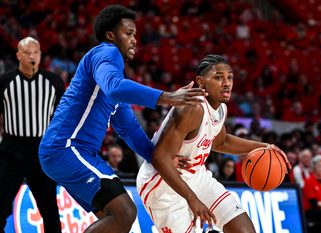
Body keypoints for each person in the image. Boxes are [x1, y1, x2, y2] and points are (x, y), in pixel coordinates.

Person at [38, 5, 206, 233]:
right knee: (124, 212)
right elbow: (115, 88)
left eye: (135, 34)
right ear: (111, 36)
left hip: (72, 153)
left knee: (114, 220)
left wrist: (159, 158)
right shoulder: (106, 53)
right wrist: (169, 97)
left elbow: (128, 129)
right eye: (128, 33)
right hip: (66, 148)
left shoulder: (113, 77)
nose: (135, 40)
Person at [137, 55, 291, 232]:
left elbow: (221, 141)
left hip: (195, 176)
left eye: (230, 77)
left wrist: (264, 147)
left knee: (244, 229)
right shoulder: (191, 107)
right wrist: (192, 199)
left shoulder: (220, 108)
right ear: (201, 83)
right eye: (218, 77)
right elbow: (159, 158)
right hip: (163, 186)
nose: (227, 83)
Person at [0, 37, 64, 232]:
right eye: (27, 52)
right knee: (0, 205)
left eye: (35, 52)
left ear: (40, 55)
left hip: (41, 151)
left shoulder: (54, 82)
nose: (32, 56)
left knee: (49, 209)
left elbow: (62, 117)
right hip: (11, 150)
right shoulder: (5, 82)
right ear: (18, 55)